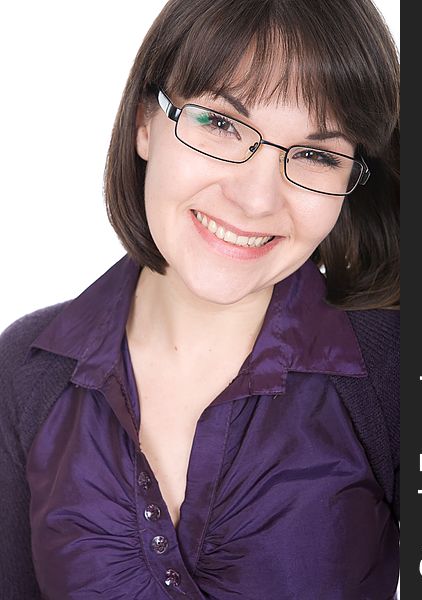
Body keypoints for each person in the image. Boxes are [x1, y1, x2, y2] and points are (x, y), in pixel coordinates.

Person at [0, 0, 400, 598]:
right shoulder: (27, 370)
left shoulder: (402, 367)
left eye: (317, 154)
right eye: (220, 123)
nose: (257, 199)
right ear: (145, 122)